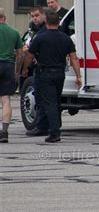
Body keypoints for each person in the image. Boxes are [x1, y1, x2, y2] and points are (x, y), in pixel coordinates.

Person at [22, 11, 81, 143]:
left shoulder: (40, 38)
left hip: (45, 73)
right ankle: (53, 127)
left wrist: (25, 68)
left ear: (47, 22)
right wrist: (78, 76)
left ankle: (54, 132)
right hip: (60, 74)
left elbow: (30, 56)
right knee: (56, 101)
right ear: (58, 23)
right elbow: (74, 58)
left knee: (49, 102)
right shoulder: (66, 38)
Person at [0, 8, 23, 143]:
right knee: (6, 99)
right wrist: (17, 71)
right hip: (8, 66)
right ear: (4, 17)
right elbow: (20, 54)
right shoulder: (14, 32)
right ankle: (4, 132)